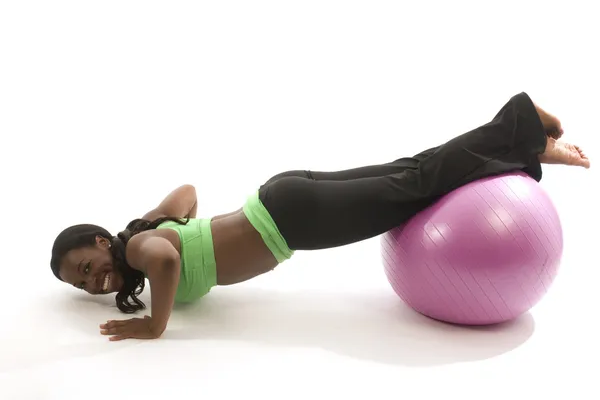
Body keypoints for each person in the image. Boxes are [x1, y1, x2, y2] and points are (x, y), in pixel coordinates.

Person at [49, 92, 590, 341]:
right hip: (280, 197)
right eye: (84, 283)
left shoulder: (142, 248)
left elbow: (166, 263)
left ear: (101, 241)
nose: (94, 279)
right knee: (416, 170)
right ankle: (525, 140)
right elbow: (187, 192)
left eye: (86, 265)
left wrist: (154, 324)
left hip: (289, 223)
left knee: (418, 184)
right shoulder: (143, 227)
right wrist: (193, 229)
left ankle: (520, 125)